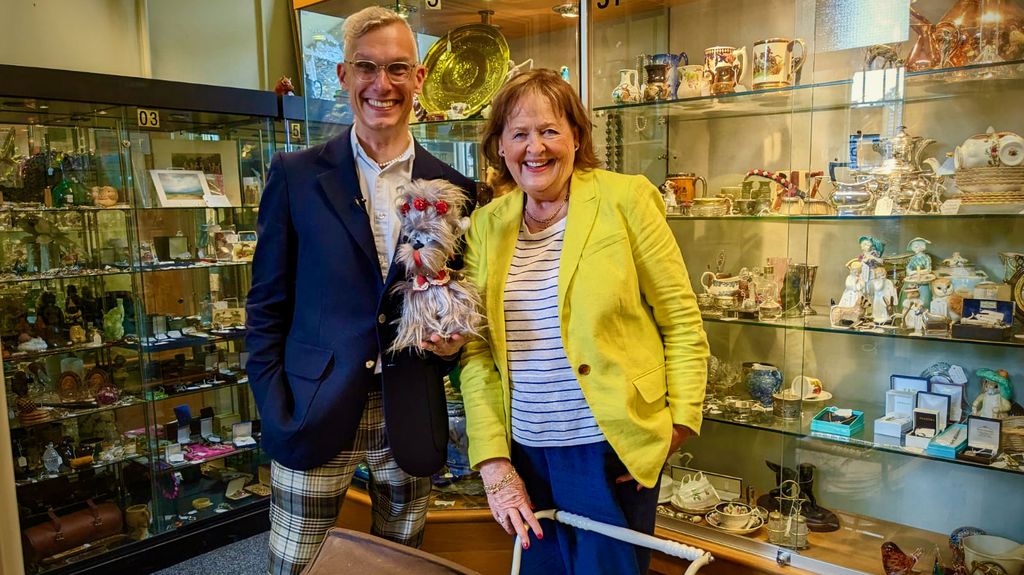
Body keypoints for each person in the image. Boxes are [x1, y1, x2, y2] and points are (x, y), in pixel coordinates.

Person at [245, 7, 475, 574]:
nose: (383, 84)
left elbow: (458, 296)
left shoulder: (458, 187)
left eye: (398, 68)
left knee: (399, 565)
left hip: (410, 407)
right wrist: (275, 407)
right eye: (367, 67)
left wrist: (454, 345)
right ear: (344, 75)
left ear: (419, 79)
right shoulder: (295, 174)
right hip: (312, 407)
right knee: (296, 566)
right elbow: (266, 302)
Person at [458, 69, 709, 575]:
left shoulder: (626, 199)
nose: (536, 148)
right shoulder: (488, 224)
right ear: (500, 148)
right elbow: (477, 350)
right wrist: (492, 462)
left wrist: (676, 426)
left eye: (550, 130)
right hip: (525, 454)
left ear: (576, 135)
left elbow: (681, 320)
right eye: (519, 134)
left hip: (611, 451)